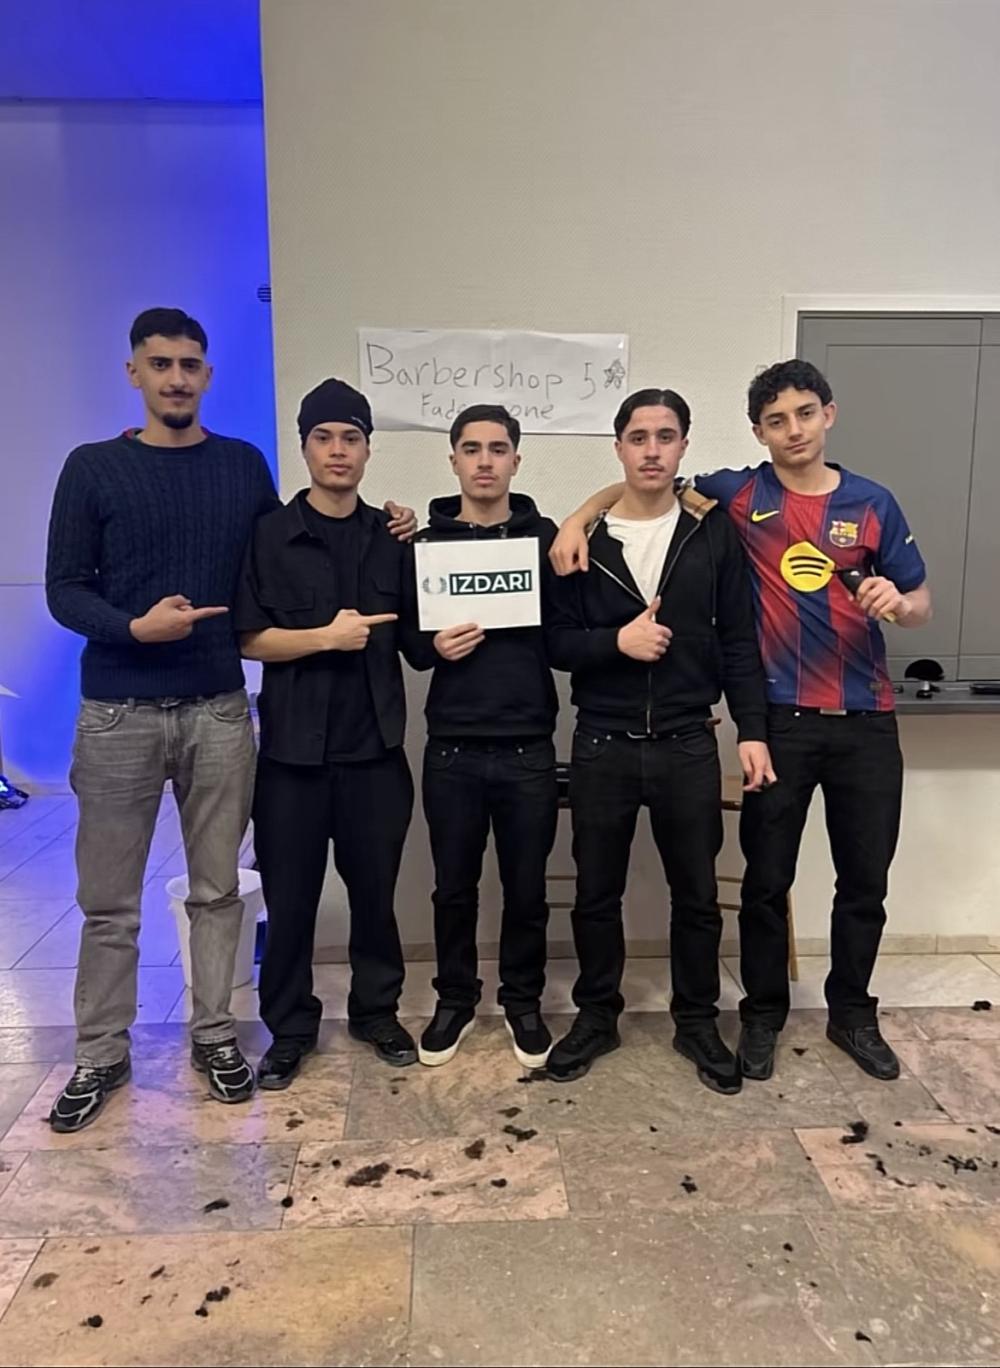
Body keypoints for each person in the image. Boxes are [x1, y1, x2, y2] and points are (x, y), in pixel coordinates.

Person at [44, 311, 415, 1133]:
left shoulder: (243, 469)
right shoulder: (93, 467)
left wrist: (400, 522)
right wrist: (133, 627)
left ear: (207, 376)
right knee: (111, 903)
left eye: (190, 365)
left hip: (218, 709)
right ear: (135, 372)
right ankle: (101, 1052)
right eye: (160, 364)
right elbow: (64, 588)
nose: (176, 377)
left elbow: (302, 549)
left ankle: (216, 1037)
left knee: (220, 892)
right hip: (120, 710)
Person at [551, 360, 932, 1083]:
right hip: (761, 722)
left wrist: (899, 604)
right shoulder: (735, 498)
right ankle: (755, 1015)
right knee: (757, 883)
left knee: (860, 882)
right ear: (758, 432)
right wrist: (578, 517)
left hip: (858, 719)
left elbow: (916, 604)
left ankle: (844, 1013)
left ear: (828, 414)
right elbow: (638, 493)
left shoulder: (857, 504)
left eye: (805, 414)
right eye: (777, 420)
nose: (794, 430)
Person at [544, 388, 772, 1090]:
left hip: (687, 740)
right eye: (638, 437)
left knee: (696, 895)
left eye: (665, 437)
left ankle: (696, 1021)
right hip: (602, 742)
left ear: (683, 447)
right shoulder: (582, 541)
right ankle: (596, 1016)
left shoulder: (712, 533)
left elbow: (739, 641)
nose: (651, 450)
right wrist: (616, 642)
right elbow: (555, 641)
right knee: (595, 894)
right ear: (618, 447)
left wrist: (753, 731)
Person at [237, 379, 422, 1088]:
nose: (338, 450)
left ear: (368, 450)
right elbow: (250, 639)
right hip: (291, 760)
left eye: (351, 438)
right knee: (291, 905)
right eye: (324, 438)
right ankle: (290, 1029)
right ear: (305, 446)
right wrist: (324, 637)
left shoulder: (393, 538)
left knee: (376, 898)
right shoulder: (269, 535)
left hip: (375, 754)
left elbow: (417, 641)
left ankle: (377, 1012)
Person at [401, 405, 559, 1070]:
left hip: (528, 746)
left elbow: (567, 632)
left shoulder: (546, 539)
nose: (485, 461)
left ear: (516, 460)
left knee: (527, 890)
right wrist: (434, 646)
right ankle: (455, 1001)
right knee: (453, 889)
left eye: (498, 449)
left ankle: (523, 1002)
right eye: (472, 449)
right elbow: (410, 646)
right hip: (452, 749)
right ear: (454, 460)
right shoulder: (423, 546)